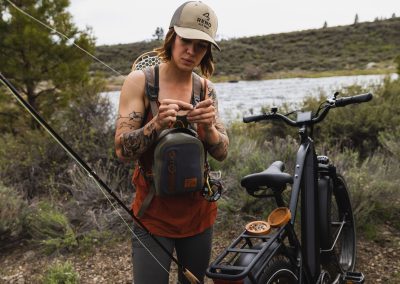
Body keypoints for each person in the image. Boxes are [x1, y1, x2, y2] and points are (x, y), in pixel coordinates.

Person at [114, 1, 229, 283]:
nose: (191, 51)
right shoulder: (139, 82)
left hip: (199, 212)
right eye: (185, 40)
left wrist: (209, 130)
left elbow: (222, 151)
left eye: (200, 46)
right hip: (152, 214)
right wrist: (155, 124)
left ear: (207, 51)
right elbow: (120, 149)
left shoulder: (206, 89)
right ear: (171, 37)